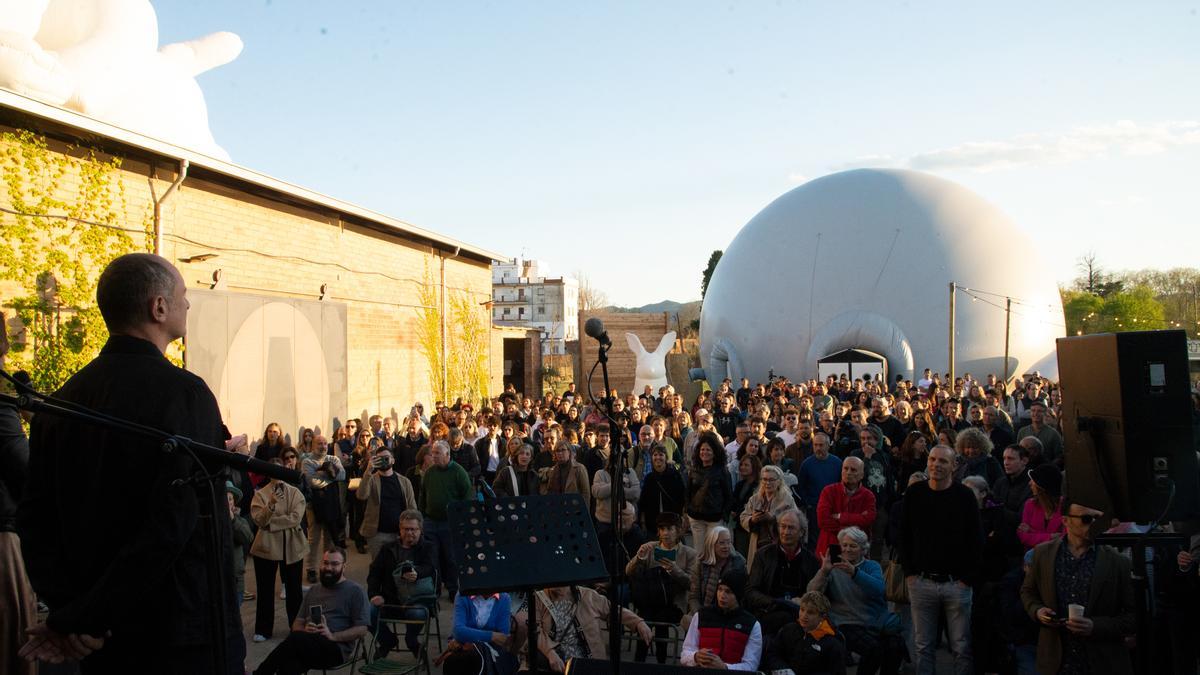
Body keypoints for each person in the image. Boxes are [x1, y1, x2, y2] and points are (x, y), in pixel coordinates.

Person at [18, 254, 243, 673]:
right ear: (158, 308)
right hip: (179, 635)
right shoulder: (184, 394)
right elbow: (171, 525)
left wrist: (73, 617)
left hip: (100, 644)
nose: (188, 305)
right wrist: (86, 618)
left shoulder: (61, 402)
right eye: (182, 296)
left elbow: (35, 520)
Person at [1020, 497, 1135, 674]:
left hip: (1100, 661)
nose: (1094, 524)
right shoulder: (1043, 554)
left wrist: (1094, 626)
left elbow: (1132, 616)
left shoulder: (1117, 562)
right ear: (1065, 521)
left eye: (1098, 519)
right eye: (1086, 519)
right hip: (1056, 660)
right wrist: (1038, 611)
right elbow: (1028, 592)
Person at [900, 444, 983, 675]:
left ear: (954, 466)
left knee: (961, 646)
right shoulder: (915, 494)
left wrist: (967, 579)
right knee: (923, 646)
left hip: (956, 584)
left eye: (943, 461)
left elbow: (976, 541)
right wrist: (911, 574)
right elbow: (903, 536)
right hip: (921, 583)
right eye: (933, 460)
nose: (936, 464)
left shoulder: (965, 497)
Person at [254, 548, 370, 675]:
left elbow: (362, 629)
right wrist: (306, 629)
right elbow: (296, 624)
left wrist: (332, 636)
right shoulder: (314, 590)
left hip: (335, 649)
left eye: (335, 564)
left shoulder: (355, 591)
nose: (329, 568)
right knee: (290, 665)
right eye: (325, 563)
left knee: (294, 640)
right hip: (307, 644)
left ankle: (260, 673)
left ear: (344, 567)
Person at [808, 526, 901, 675]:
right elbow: (812, 592)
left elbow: (879, 589)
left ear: (863, 549)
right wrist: (823, 571)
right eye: (844, 545)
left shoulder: (872, 566)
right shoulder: (833, 568)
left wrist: (855, 573)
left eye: (853, 546)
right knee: (873, 649)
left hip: (873, 621)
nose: (847, 549)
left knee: (896, 646)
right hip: (845, 622)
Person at [250, 450, 309, 642]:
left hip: (292, 545)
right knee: (265, 589)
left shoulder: (295, 493)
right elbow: (259, 520)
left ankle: (296, 625)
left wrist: (271, 524)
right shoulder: (261, 495)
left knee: (294, 590)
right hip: (266, 547)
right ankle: (263, 629)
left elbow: (295, 518)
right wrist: (271, 505)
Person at [366, 510, 438, 659]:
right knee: (366, 612)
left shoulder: (428, 547)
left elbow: (431, 567)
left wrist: (417, 573)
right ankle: (387, 641)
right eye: (406, 529)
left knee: (418, 613)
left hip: (417, 600)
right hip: (390, 599)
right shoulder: (388, 548)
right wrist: (374, 594)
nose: (409, 533)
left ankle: (411, 641)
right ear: (400, 529)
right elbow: (374, 574)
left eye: (413, 529)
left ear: (420, 530)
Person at [626, 513, 696, 663]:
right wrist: (638, 559)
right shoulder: (650, 548)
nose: (665, 533)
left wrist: (674, 570)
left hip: (673, 604)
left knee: (660, 618)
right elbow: (628, 572)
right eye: (662, 529)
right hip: (650, 600)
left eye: (669, 529)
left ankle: (661, 662)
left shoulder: (689, 553)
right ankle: (639, 662)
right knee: (645, 618)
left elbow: (692, 584)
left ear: (678, 530)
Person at [534, 584, 653, 671]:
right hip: (557, 665)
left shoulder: (588, 595)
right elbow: (534, 629)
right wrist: (550, 652)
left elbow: (613, 610)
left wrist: (638, 622)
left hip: (587, 663)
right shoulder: (539, 598)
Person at [745, 507, 821, 634]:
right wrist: (776, 603)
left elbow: (816, 597)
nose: (786, 532)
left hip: (800, 617)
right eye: (783, 526)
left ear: (801, 532)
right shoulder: (763, 555)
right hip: (768, 613)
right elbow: (751, 591)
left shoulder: (811, 561)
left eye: (791, 528)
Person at [419, 440, 473, 599]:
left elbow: (467, 496)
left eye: (437, 453)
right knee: (432, 557)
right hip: (431, 522)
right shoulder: (429, 472)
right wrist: (422, 516)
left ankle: (452, 588)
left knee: (450, 558)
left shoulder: (458, 472)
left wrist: (462, 520)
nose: (433, 456)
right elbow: (423, 494)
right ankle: (434, 589)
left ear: (447, 455)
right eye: (432, 453)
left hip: (450, 523)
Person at [680, 569, 763, 671]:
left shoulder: (752, 624)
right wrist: (696, 657)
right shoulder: (701, 615)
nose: (722, 595)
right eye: (720, 589)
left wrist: (725, 667)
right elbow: (685, 653)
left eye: (728, 591)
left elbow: (751, 666)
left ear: (738, 595)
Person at [762, 590, 847, 675]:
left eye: (810, 612)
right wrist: (783, 669)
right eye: (802, 610)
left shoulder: (832, 643)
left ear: (822, 617)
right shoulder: (788, 629)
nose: (804, 616)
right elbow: (772, 653)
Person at [356, 447, 417, 560]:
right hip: (377, 534)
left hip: (399, 533)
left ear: (393, 460)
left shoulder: (404, 481)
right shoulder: (371, 479)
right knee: (378, 568)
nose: (383, 461)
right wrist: (368, 471)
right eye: (379, 459)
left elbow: (412, 507)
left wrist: (412, 530)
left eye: (386, 458)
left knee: (399, 567)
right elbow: (361, 495)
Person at [815, 456, 876, 557]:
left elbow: (868, 520)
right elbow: (822, 520)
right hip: (830, 548)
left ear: (861, 475)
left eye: (853, 470)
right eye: (845, 468)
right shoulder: (828, 491)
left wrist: (840, 517)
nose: (848, 472)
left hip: (857, 551)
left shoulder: (868, 496)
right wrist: (856, 523)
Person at [739, 465, 798, 567]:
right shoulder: (755, 498)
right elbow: (743, 517)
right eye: (764, 479)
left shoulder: (787, 499)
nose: (767, 483)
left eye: (771, 480)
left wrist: (774, 519)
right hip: (758, 544)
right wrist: (752, 520)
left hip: (778, 543)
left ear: (779, 481)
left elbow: (796, 521)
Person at [687, 431, 734, 549]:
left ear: (715, 452)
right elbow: (688, 492)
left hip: (715, 519)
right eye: (702, 449)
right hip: (696, 518)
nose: (704, 452)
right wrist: (688, 511)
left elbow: (728, 495)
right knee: (699, 552)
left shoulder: (722, 471)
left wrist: (724, 516)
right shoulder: (694, 470)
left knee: (714, 551)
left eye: (708, 450)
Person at [688, 526, 747, 616]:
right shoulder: (701, 563)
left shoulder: (738, 563)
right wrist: (700, 615)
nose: (726, 546)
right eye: (722, 543)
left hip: (729, 613)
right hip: (704, 612)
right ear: (712, 544)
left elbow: (741, 598)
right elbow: (694, 597)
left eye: (728, 542)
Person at [797, 432, 842, 548]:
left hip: (834, 509)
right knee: (815, 541)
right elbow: (801, 487)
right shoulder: (806, 464)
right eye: (815, 445)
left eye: (821, 445)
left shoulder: (837, 463)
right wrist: (808, 504)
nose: (818, 448)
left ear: (828, 445)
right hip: (814, 510)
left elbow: (842, 485)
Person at [637, 444, 687, 533]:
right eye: (655, 455)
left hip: (672, 521)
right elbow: (643, 502)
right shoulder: (649, 478)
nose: (658, 457)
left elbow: (682, 497)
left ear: (666, 457)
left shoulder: (674, 475)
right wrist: (643, 521)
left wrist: (683, 517)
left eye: (661, 455)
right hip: (653, 523)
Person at [1017, 463, 1063, 550]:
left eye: (1033, 480)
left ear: (1043, 486)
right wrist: (1052, 536)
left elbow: (1064, 539)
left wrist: (1032, 531)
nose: (1029, 483)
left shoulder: (1065, 507)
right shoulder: (1030, 504)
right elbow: (1022, 535)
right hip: (1033, 558)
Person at [1015, 401, 1063, 467]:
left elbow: (1059, 456)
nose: (1035, 413)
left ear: (1045, 413)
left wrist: (1049, 467)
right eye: (1033, 410)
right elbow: (1018, 452)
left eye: (1039, 411)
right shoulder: (1022, 431)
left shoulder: (1053, 434)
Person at [991, 444, 1032, 519]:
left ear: (1024, 461)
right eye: (1004, 458)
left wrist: (997, 510)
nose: (1006, 463)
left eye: (1010, 459)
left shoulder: (1032, 485)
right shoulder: (1000, 483)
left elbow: (1022, 517)